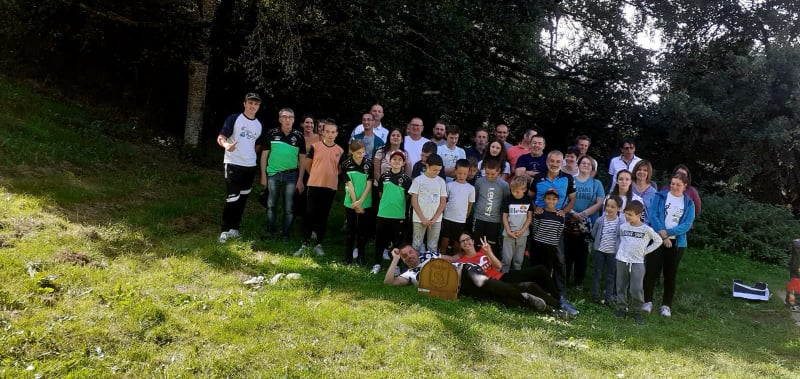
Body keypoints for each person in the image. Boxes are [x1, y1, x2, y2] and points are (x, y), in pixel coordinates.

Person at [384, 244, 551, 313]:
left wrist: (468, 252)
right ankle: (552, 309)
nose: (409, 256)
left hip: (465, 271)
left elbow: (454, 260)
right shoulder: (409, 275)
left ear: (415, 250)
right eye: (405, 256)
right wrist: (395, 259)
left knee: (483, 282)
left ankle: (527, 296)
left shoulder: (430, 254)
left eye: (410, 252)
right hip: (460, 289)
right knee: (502, 299)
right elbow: (389, 282)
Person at [457, 233, 568, 318]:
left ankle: (558, 299)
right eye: (462, 241)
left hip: (504, 276)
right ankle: (557, 306)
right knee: (530, 286)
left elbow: (499, 266)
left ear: (472, 241)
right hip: (495, 284)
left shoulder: (482, 251)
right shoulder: (463, 261)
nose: (466, 242)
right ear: (460, 245)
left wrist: (488, 252)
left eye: (467, 239)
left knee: (541, 269)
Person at [643, 171, 696, 318]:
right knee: (651, 271)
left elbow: (687, 224)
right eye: (672, 184)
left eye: (678, 185)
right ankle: (647, 301)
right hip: (657, 238)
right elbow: (653, 215)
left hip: (677, 243)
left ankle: (666, 305)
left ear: (685, 186)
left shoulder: (689, 203)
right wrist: (662, 233)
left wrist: (669, 232)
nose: (674, 187)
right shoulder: (660, 196)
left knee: (670, 274)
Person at [217, 92, 263, 243]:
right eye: (250, 103)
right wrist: (226, 145)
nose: (253, 106)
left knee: (242, 199)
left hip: (249, 166)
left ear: (259, 106)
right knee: (232, 198)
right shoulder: (234, 118)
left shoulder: (259, 125)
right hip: (233, 164)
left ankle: (234, 229)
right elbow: (221, 137)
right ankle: (224, 230)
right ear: (244, 103)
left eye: (256, 104)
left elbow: (257, 146)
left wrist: (250, 156)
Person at [296, 120, 343, 256]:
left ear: (336, 134)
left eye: (333, 132)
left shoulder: (340, 150)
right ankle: (305, 243)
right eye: (327, 131)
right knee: (310, 213)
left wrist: (330, 174)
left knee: (323, 215)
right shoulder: (315, 147)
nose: (330, 134)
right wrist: (317, 174)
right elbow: (308, 164)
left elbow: (339, 169)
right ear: (322, 133)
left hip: (330, 187)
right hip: (314, 185)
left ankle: (318, 244)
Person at [531, 189, 579, 316]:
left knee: (547, 269)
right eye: (548, 198)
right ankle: (535, 291)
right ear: (544, 199)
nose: (551, 201)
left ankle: (547, 292)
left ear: (558, 201)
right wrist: (537, 239)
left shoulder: (560, 215)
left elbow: (559, 232)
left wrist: (552, 242)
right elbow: (535, 228)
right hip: (538, 244)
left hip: (551, 246)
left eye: (554, 199)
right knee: (536, 267)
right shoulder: (539, 213)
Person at [260, 108, 306, 241]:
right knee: (271, 205)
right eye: (285, 117)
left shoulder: (299, 136)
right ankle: (270, 232)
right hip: (273, 175)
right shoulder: (271, 133)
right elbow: (264, 156)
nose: (288, 120)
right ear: (280, 119)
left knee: (289, 207)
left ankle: (285, 234)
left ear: (294, 119)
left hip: (291, 176)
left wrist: (300, 179)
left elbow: (302, 159)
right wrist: (263, 176)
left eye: (290, 117)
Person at [615, 200, 663, 325]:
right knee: (620, 286)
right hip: (622, 260)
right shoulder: (623, 227)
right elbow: (621, 240)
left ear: (639, 215)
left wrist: (646, 251)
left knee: (636, 289)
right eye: (626, 213)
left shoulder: (646, 229)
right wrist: (621, 252)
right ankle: (621, 308)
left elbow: (658, 240)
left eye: (630, 214)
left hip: (637, 263)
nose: (627, 216)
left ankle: (637, 311)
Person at [564, 155, 605, 290]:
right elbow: (564, 199)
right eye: (583, 163)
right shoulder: (571, 180)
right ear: (578, 165)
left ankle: (579, 282)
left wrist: (584, 214)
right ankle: (564, 279)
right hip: (570, 219)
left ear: (592, 168)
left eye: (589, 164)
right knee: (567, 251)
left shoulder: (596, 183)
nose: (585, 165)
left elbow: (600, 203)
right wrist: (573, 212)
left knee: (582, 253)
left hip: (587, 223)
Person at [373, 150, 413, 273]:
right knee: (380, 240)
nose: (397, 161)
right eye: (394, 159)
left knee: (397, 241)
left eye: (400, 160)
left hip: (398, 215)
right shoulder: (384, 177)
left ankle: (395, 265)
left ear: (403, 163)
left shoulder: (406, 179)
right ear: (390, 161)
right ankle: (377, 264)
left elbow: (407, 197)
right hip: (383, 213)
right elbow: (380, 193)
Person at [341, 140, 373, 265]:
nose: (361, 155)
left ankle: (361, 257)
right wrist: (355, 203)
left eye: (363, 152)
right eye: (358, 153)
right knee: (350, 231)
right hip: (351, 202)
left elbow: (369, 184)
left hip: (365, 202)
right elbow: (349, 185)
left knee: (362, 232)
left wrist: (361, 202)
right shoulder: (345, 164)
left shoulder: (369, 164)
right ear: (351, 152)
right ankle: (347, 258)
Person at [409, 153, 448, 253]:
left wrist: (434, 219)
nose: (437, 172)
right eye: (434, 169)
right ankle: (415, 266)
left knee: (433, 245)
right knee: (416, 244)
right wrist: (423, 218)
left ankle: (430, 266)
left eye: (439, 170)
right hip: (419, 219)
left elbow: (443, 202)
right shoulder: (418, 180)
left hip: (436, 220)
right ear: (427, 166)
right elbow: (414, 200)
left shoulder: (441, 182)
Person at [472, 160, 510, 254]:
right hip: (479, 217)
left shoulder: (504, 185)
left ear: (498, 171)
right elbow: (475, 198)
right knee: (477, 243)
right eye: (487, 173)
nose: (489, 176)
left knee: (491, 245)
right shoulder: (479, 181)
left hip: (494, 220)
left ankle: (491, 264)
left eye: (492, 174)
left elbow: (506, 202)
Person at [438, 159, 475, 254]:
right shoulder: (449, 185)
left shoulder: (471, 188)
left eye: (464, 174)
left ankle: (456, 260)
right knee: (445, 238)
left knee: (458, 241)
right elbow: (444, 200)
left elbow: (470, 204)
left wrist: (465, 216)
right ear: (455, 171)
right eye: (459, 173)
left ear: (468, 173)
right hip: (448, 217)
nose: (462, 176)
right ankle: (442, 257)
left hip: (460, 219)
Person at [590, 195, 622, 305]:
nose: (609, 209)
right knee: (597, 273)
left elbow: (621, 237)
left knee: (610, 276)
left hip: (612, 253)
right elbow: (594, 233)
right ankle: (595, 296)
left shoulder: (621, 223)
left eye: (613, 207)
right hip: (600, 251)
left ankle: (608, 298)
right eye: (607, 206)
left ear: (619, 209)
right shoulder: (600, 220)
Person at [501, 177, 533, 272]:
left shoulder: (528, 200)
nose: (514, 193)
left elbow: (529, 218)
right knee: (506, 257)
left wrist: (522, 230)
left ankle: (517, 276)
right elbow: (504, 217)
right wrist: (508, 231)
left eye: (517, 191)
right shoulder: (508, 199)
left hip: (523, 233)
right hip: (508, 233)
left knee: (519, 258)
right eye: (512, 191)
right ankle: (504, 276)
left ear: (524, 190)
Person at [631, 160, 657, 225]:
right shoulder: (628, 187)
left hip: (645, 228)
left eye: (645, 170)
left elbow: (654, 214)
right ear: (635, 171)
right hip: (627, 226)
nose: (642, 172)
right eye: (639, 169)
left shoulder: (653, 193)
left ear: (649, 173)